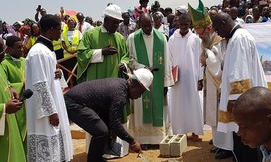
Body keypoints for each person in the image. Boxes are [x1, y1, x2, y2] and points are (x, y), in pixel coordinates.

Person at [212, 12, 268, 162]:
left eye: (217, 29)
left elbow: (239, 73)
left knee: (245, 142)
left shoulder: (239, 38)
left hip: (242, 103)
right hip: (244, 99)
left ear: (224, 24)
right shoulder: (237, 37)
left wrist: (237, 102)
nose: (218, 34)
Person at [65, 68, 153, 162]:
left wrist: (111, 128)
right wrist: (132, 141)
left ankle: (97, 158)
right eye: (140, 92)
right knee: (101, 131)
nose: (139, 96)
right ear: (135, 86)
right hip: (73, 103)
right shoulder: (120, 95)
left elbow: (107, 113)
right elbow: (115, 123)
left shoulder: (121, 84)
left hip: (77, 102)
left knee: (104, 129)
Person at [188, 0, 234, 159]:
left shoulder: (220, 40)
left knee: (222, 115)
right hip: (211, 82)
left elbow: (222, 64)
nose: (198, 36)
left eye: (200, 33)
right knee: (213, 116)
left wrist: (207, 57)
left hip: (221, 84)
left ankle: (227, 147)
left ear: (208, 28)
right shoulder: (205, 40)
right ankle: (219, 143)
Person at [25, 14, 73, 161]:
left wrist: (58, 74)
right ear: (51, 29)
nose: (61, 32)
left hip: (54, 101)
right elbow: (40, 84)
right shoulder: (39, 52)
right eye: (59, 29)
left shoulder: (47, 50)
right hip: (44, 112)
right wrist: (51, 112)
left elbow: (49, 77)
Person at [127, 13, 174, 148]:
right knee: (143, 107)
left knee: (158, 106)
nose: (148, 28)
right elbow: (130, 59)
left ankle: (158, 138)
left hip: (158, 80)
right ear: (139, 25)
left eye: (150, 25)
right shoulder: (132, 38)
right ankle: (144, 140)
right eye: (145, 26)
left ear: (153, 23)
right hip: (140, 80)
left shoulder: (162, 38)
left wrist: (165, 83)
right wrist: (143, 68)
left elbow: (167, 61)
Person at [168, 13, 204, 140]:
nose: (183, 27)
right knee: (178, 105)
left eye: (186, 24)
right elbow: (169, 58)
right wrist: (171, 75)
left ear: (190, 24)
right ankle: (180, 131)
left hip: (192, 79)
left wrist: (200, 77)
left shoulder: (196, 39)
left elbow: (200, 60)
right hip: (177, 79)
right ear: (178, 24)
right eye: (181, 24)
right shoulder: (172, 39)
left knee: (193, 103)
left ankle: (195, 131)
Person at [77, 4, 129, 84]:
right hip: (96, 81)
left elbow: (125, 56)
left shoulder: (120, 38)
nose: (116, 26)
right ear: (106, 19)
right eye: (114, 22)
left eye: (118, 23)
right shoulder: (90, 35)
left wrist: (124, 64)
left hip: (115, 81)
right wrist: (101, 52)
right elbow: (81, 55)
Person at [0, 37, 26, 162]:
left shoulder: (25, 61)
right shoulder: (4, 63)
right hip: (8, 112)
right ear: (8, 49)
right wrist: (21, 86)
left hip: (19, 107)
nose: (22, 50)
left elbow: (6, 84)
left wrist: (10, 88)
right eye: (18, 47)